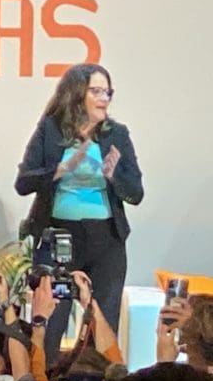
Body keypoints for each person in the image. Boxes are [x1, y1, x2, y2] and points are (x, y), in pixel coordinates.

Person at [15, 63, 144, 365]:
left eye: (108, 92)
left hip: (106, 241)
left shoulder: (117, 134)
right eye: (96, 91)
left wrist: (113, 176)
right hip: (58, 238)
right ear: (76, 94)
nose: (104, 99)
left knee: (103, 327)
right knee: (50, 326)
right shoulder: (50, 129)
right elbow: (23, 183)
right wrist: (61, 169)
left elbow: (136, 193)